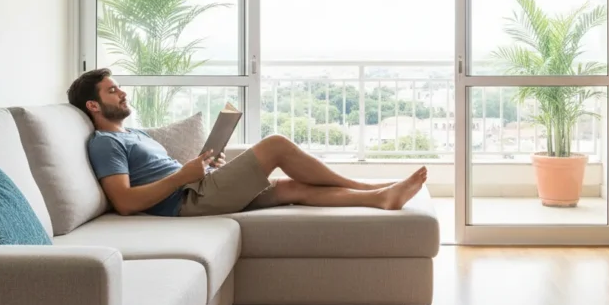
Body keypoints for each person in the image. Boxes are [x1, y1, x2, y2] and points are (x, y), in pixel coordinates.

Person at [67, 68, 428, 217]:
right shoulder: (104, 144)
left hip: (197, 186)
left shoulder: (133, 134)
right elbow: (125, 202)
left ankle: (379, 197)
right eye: (113, 91)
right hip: (187, 201)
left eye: (119, 87)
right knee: (275, 145)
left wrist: (205, 166)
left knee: (289, 187)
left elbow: (166, 174)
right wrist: (183, 177)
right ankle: (364, 184)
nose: (123, 93)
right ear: (94, 105)